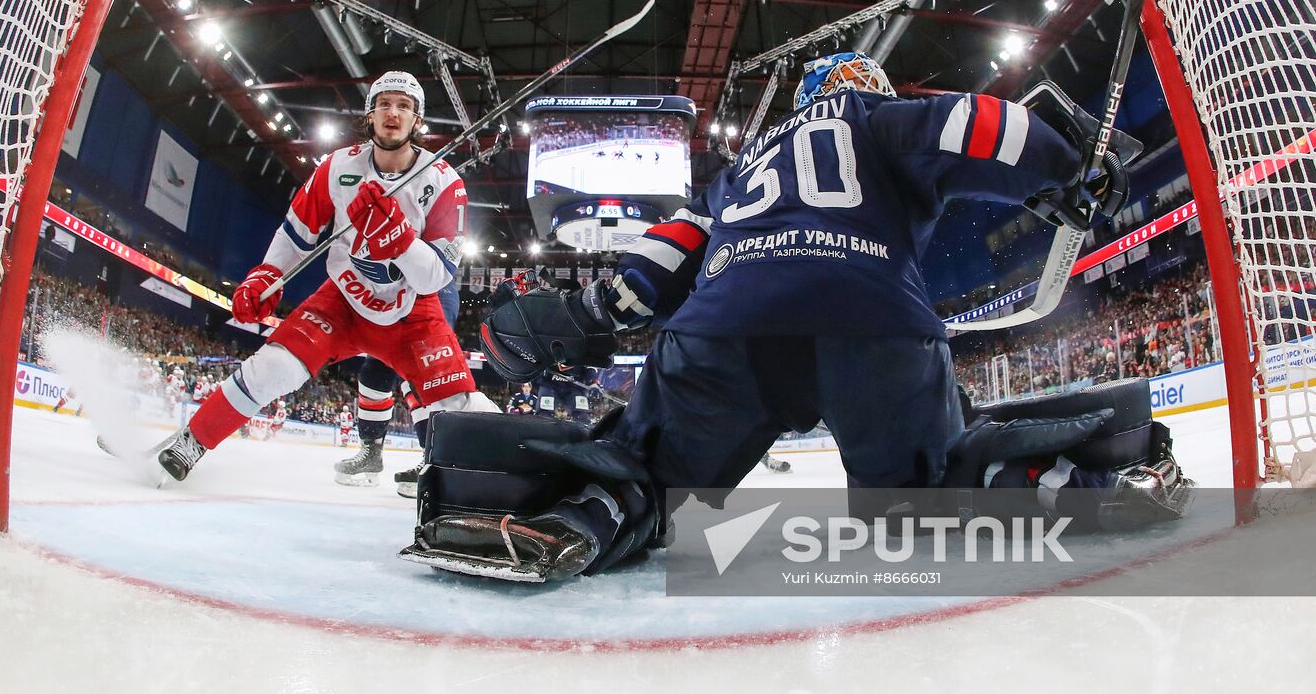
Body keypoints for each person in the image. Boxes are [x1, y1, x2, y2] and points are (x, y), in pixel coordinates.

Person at [411, 52, 1189, 582]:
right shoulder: (882, 120)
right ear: (864, 87)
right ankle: (1084, 481)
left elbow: (656, 267)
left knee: (651, 478)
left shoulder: (741, 167)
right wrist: (1067, 170)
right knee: (922, 497)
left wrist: (589, 309)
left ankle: (579, 515)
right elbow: (973, 126)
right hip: (872, 317)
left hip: (724, 330)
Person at [145, 70, 499, 484]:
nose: (393, 113)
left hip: (411, 315)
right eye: (384, 103)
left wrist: (399, 240)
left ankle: (511, 470)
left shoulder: (443, 181)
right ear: (369, 115)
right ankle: (192, 441)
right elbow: (296, 234)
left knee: (458, 404)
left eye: (404, 106)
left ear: (416, 120)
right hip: (343, 300)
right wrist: (266, 276)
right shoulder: (337, 167)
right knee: (274, 366)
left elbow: (435, 277)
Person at [333, 274, 461, 493]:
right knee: (373, 375)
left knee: (421, 372)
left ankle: (433, 461)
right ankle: (371, 452)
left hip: (433, 292)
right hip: (394, 294)